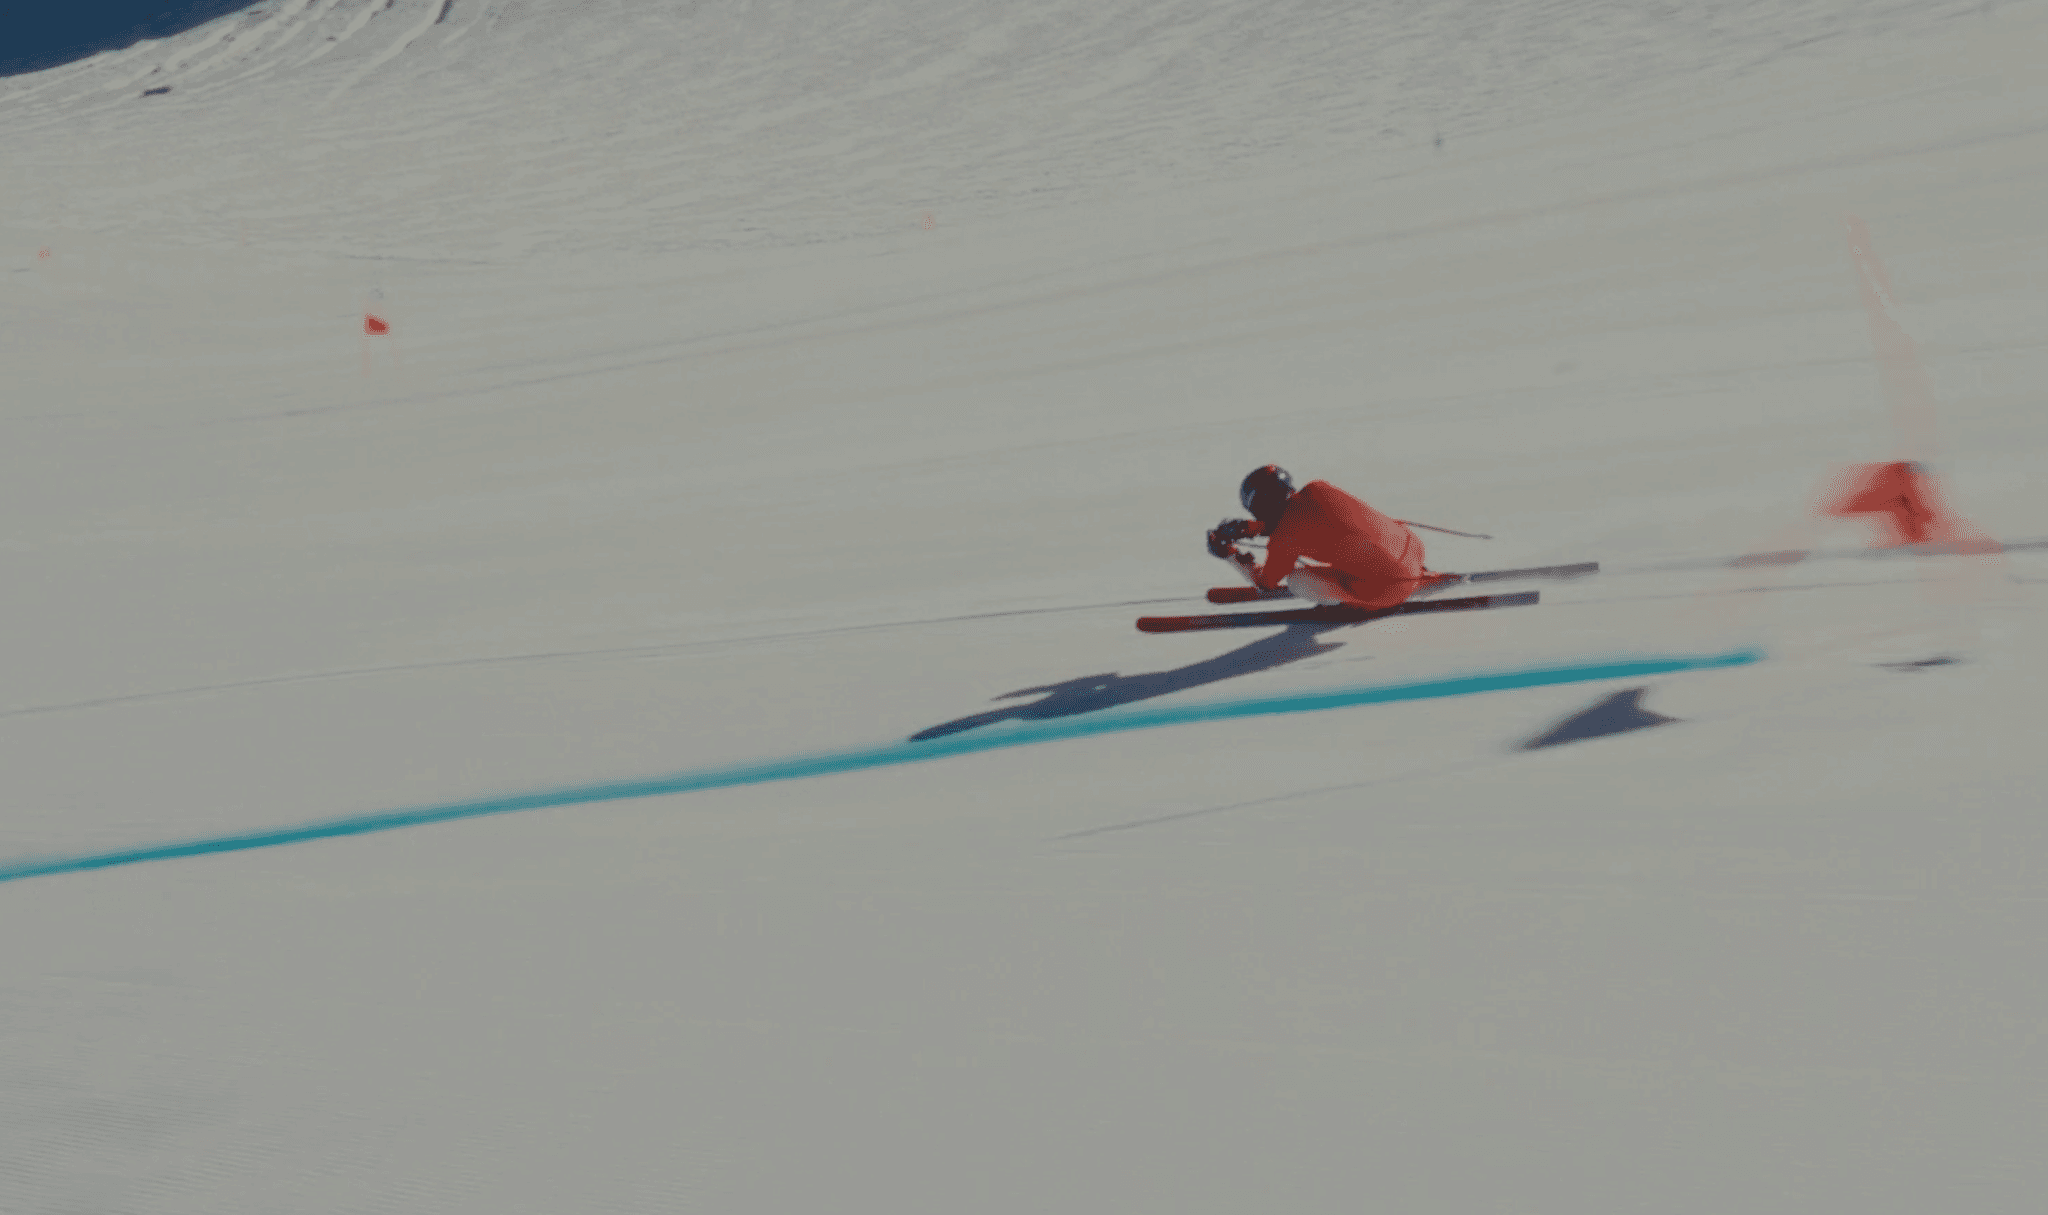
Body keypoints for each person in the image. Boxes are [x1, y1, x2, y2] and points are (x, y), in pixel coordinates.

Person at [1207, 465, 1448, 609]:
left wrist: (1230, 554)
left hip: (1388, 591)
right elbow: (1307, 520)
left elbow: (1266, 584)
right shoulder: (1317, 488)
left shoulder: (1284, 538)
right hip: (1413, 550)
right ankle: (1413, 574)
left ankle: (1351, 604)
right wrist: (1255, 528)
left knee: (1297, 581)